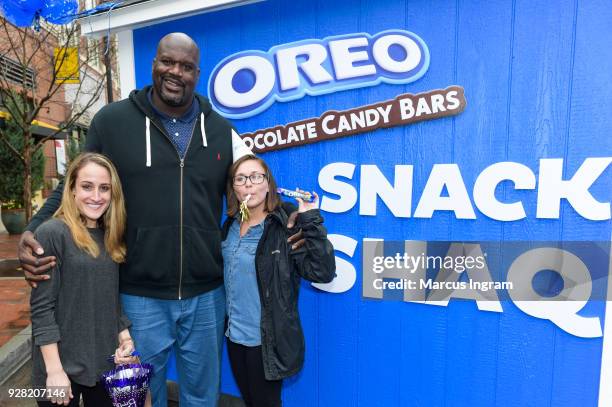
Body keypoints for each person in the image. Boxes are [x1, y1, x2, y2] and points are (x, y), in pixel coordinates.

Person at [18, 33, 301, 407]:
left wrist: (292, 219)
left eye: (186, 67)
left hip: (206, 295)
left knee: (201, 397)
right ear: (154, 63)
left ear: (197, 74)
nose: (175, 72)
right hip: (138, 296)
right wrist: (33, 230)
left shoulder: (220, 129)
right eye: (168, 61)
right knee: (136, 398)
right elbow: (75, 181)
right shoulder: (113, 121)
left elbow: (255, 185)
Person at [222, 155, 336, 406]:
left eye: (256, 177)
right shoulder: (230, 225)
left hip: (265, 340)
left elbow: (322, 272)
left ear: (268, 184)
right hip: (234, 336)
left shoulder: (285, 226)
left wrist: (310, 220)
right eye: (240, 179)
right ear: (234, 188)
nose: (248, 184)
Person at [30, 153, 136, 406]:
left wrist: (125, 339)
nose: (96, 197)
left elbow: (109, 296)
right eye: (87, 186)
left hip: (103, 363)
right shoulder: (52, 232)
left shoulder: (109, 234)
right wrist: (54, 371)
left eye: (104, 188)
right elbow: (42, 308)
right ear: (72, 190)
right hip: (60, 367)